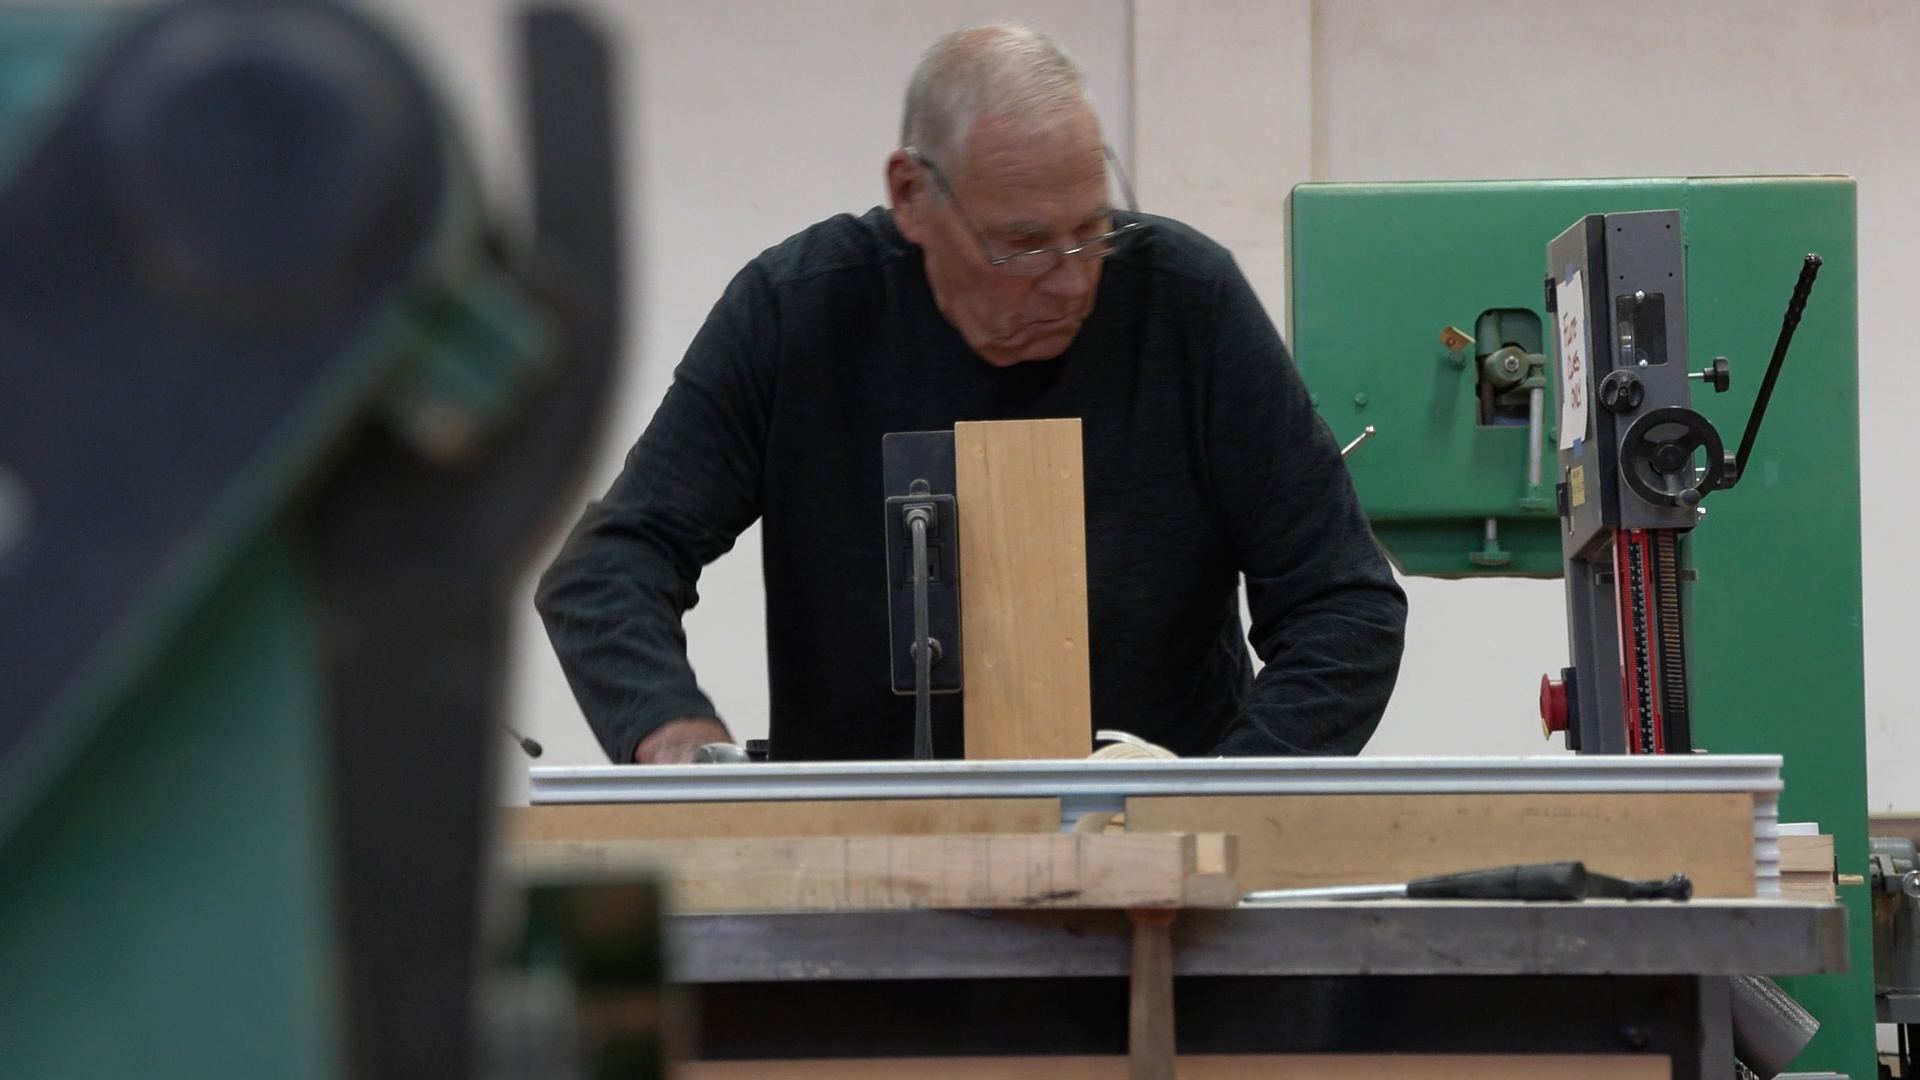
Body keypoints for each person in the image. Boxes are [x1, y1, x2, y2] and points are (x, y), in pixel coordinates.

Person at [537, 24, 1406, 765]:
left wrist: (1225, 797)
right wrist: (677, 742)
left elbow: (1343, 603)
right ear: (911, 195)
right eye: (1022, 245)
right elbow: (609, 568)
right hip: (863, 871)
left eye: (1092, 230)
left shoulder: (1186, 304)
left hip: (1164, 872)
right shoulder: (798, 312)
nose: (1072, 283)